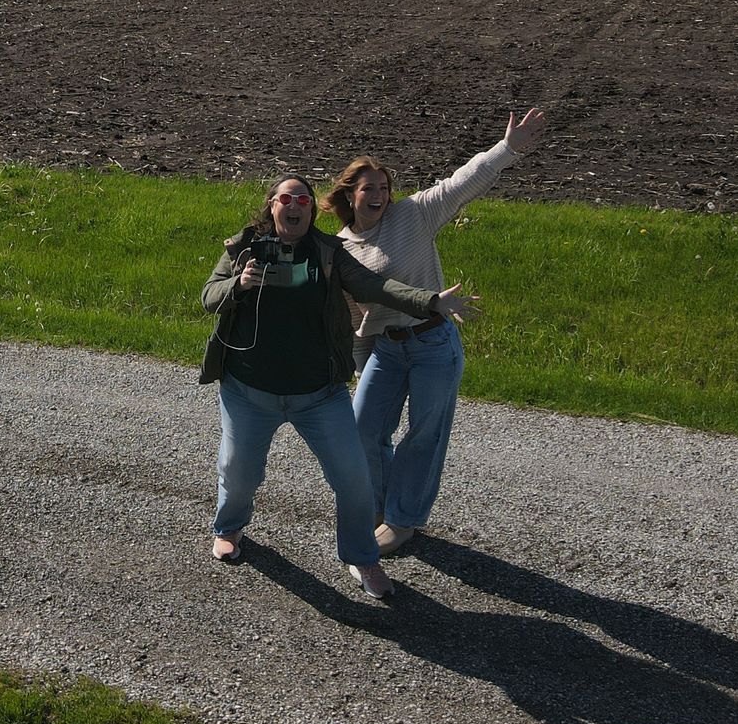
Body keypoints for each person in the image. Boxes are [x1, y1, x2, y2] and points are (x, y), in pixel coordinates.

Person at [201, 173, 480, 600]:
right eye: (285, 198)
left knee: (354, 480)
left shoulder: (329, 253)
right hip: (250, 393)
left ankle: (361, 556)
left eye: (303, 200)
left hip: (319, 396)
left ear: (311, 210)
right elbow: (208, 296)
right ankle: (230, 528)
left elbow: (375, 286)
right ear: (272, 205)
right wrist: (239, 284)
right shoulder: (244, 249)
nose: (294, 205)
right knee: (239, 474)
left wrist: (430, 301)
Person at [327, 109, 548, 557]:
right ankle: (378, 507)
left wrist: (507, 149)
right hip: (385, 352)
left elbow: (459, 184)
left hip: (433, 344)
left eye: (385, 188)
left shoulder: (413, 216)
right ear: (350, 194)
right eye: (369, 188)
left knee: (424, 435)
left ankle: (403, 520)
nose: (380, 196)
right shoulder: (341, 247)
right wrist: (356, 364)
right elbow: (354, 317)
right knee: (363, 429)